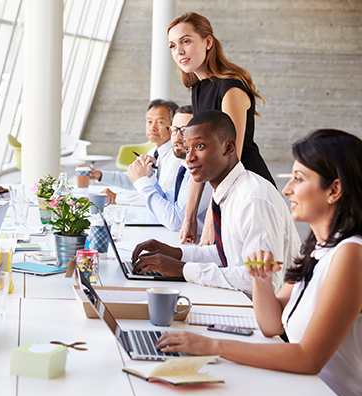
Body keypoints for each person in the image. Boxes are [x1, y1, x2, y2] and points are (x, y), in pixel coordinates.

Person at [156, 129, 362, 396]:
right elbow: (272, 325)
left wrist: (210, 345)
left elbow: (308, 358)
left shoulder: (350, 254)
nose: (287, 189)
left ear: (334, 190)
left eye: (298, 179)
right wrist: (260, 277)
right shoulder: (318, 248)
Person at [131, 110, 300, 294]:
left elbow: (262, 278)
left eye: (200, 146)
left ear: (229, 148)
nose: (189, 157)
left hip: (267, 313)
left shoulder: (252, 198)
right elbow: (228, 254)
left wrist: (183, 269)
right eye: (187, 148)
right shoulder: (228, 191)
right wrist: (177, 254)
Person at [167, 12, 275, 245]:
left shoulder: (231, 87)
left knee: (252, 273)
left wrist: (211, 218)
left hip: (250, 190)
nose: (179, 51)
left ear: (208, 42)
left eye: (186, 41)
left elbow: (229, 157)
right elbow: (196, 157)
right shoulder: (198, 89)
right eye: (173, 45)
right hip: (226, 191)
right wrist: (189, 218)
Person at [126, 106, 212, 238]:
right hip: (180, 241)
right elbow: (168, 201)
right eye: (174, 129)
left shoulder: (204, 173)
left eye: (184, 130)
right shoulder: (184, 168)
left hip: (200, 250)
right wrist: (149, 177)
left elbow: (175, 221)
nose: (177, 136)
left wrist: (141, 182)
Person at [85, 99, 182, 192]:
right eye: (149, 122)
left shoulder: (177, 157)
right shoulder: (153, 152)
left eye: (160, 122)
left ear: (174, 126)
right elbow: (134, 179)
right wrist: (101, 175)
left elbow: (163, 195)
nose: (152, 127)